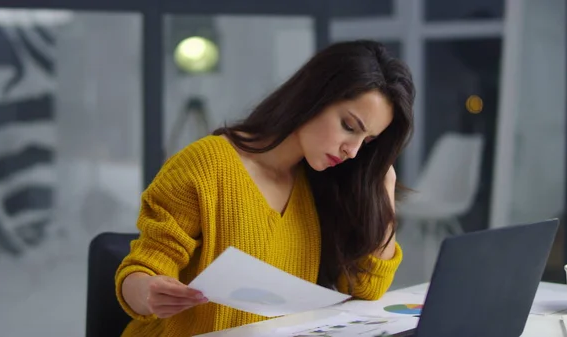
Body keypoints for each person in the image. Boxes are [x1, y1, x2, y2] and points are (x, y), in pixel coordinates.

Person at [115, 39, 415, 337]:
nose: (353, 150)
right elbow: (144, 268)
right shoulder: (206, 166)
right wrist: (150, 291)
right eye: (349, 126)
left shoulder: (324, 183)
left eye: (368, 141)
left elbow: (368, 288)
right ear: (313, 97)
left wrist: (382, 186)